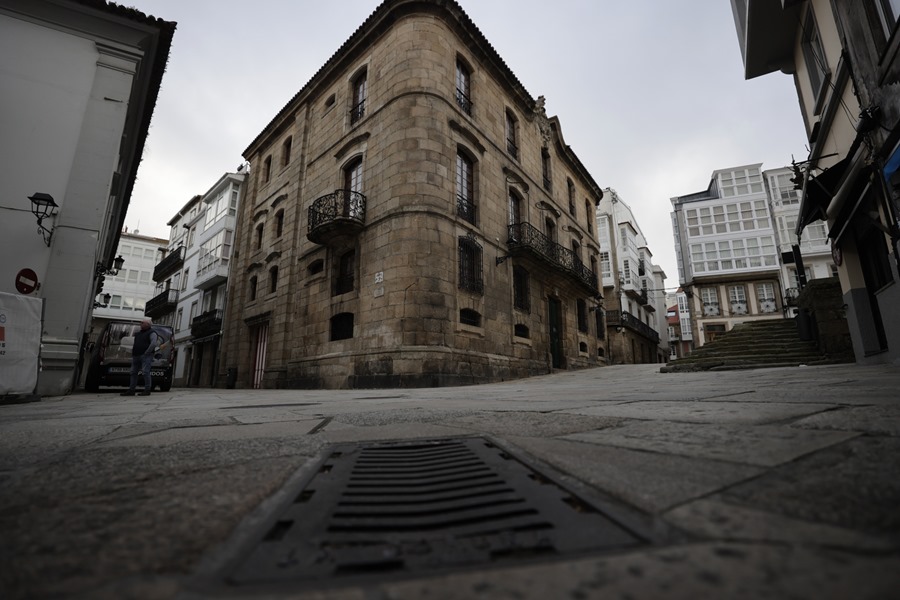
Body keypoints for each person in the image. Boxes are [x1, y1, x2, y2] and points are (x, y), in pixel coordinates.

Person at [121, 318, 159, 396]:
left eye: (142, 323)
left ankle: (147, 390)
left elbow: (153, 344)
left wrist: (147, 352)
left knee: (145, 372)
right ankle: (131, 390)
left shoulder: (152, 333)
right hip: (136, 355)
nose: (140, 324)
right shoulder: (138, 334)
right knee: (133, 372)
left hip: (146, 355)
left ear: (147, 324)